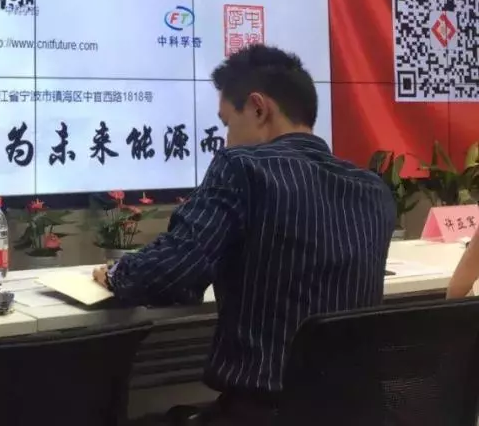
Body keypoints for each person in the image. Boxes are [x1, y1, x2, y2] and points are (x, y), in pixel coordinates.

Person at [92, 45, 395, 424]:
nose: (226, 139)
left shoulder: (243, 168)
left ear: (258, 108)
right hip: (360, 413)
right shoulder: (373, 188)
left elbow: (175, 270)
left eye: (226, 123)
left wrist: (117, 273)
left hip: (264, 414)